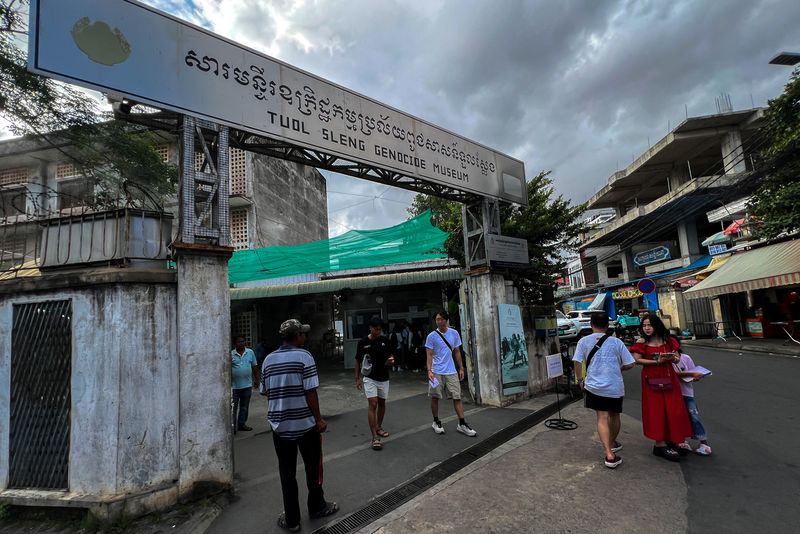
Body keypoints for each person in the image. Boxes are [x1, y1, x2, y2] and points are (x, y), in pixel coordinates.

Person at [261, 319, 339, 532]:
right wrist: (319, 419)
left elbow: (266, 392)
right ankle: (317, 507)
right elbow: (310, 391)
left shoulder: (268, 360)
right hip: (305, 426)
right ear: (297, 337)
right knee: (313, 469)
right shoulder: (304, 357)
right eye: (303, 334)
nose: (305, 337)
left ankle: (292, 520)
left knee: (287, 474)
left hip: (279, 427)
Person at [572, 312, 636, 468]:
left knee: (602, 417)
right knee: (615, 416)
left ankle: (609, 453)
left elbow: (577, 362)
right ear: (607, 326)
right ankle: (612, 442)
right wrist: (619, 369)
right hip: (614, 386)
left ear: (591, 325)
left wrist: (580, 380)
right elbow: (630, 364)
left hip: (594, 386)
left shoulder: (583, 341)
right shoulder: (616, 342)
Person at [630, 314, 693, 462]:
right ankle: (660, 443)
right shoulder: (642, 342)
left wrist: (672, 358)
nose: (647, 328)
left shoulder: (669, 341)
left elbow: (677, 358)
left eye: (649, 325)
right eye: (644, 325)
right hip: (651, 379)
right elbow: (637, 360)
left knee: (674, 409)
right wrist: (657, 361)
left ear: (657, 325)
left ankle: (673, 439)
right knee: (656, 411)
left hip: (669, 377)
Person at [425, 310, 477, 437]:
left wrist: (461, 368)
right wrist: (429, 371)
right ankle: (436, 421)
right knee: (435, 396)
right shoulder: (431, 336)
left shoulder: (454, 333)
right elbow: (429, 355)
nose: (440, 321)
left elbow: (457, 352)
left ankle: (462, 423)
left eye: (442, 319)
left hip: (451, 371)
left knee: (457, 397)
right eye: (437, 319)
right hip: (436, 372)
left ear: (446, 320)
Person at [354, 316, 395, 451]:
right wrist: (357, 378)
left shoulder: (384, 341)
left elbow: (390, 356)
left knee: (382, 404)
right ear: (370, 328)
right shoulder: (363, 342)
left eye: (380, 329)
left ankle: (378, 427)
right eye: (376, 329)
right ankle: (374, 437)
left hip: (383, 377)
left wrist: (391, 361)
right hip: (369, 377)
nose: (378, 331)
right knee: (373, 404)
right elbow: (357, 360)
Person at [673, 352, 713, 456]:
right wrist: (691, 374)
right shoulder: (666, 358)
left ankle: (704, 443)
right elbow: (672, 374)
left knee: (694, 416)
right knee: (679, 417)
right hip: (674, 393)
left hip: (687, 392)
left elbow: (694, 372)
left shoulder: (686, 358)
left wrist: (696, 377)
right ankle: (682, 440)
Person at [231, 336, 259, 432]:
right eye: (239, 342)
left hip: (247, 385)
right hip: (234, 387)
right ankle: (232, 426)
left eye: (243, 341)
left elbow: (255, 366)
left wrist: (257, 380)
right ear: (235, 344)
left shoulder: (250, 352)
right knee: (233, 407)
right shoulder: (231, 354)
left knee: (244, 407)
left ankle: (241, 424)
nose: (241, 343)